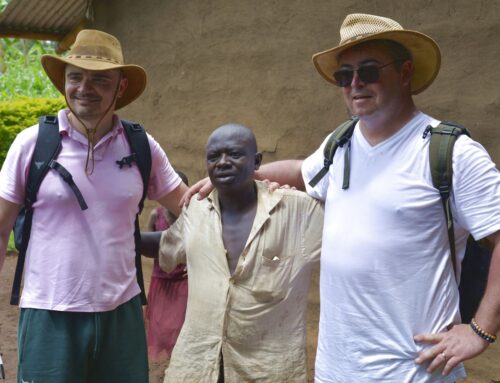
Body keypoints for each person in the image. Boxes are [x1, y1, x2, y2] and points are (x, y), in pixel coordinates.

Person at [183, 14, 500, 382]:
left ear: (405, 71)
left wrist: (480, 331)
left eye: (369, 70)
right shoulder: (343, 144)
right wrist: (239, 177)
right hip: (337, 368)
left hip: (412, 371)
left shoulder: (451, 152)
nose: (355, 83)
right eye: (343, 75)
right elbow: (303, 172)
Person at [0, 29, 188, 383]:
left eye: (100, 80)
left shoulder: (141, 146)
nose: (85, 88)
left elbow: (188, 205)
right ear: (64, 83)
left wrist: (248, 190)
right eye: (76, 77)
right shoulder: (32, 145)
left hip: (123, 311)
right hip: (49, 312)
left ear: (120, 86)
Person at [142, 123, 324, 382]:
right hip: (197, 367)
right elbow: (167, 245)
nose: (223, 162)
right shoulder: (196, 210)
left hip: (267, 371)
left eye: (235, 154)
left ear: (257, 161)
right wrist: (121, 238)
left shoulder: (299, 212)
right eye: (214, 156)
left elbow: (348, 242)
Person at [144, 170, 189, 362]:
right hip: (160, 280)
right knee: (158, 326)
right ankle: (161, 367)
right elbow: (149, 245)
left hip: (183, 281)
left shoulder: (191, 218)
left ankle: (175, 364)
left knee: (180, 326)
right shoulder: (156, 215)